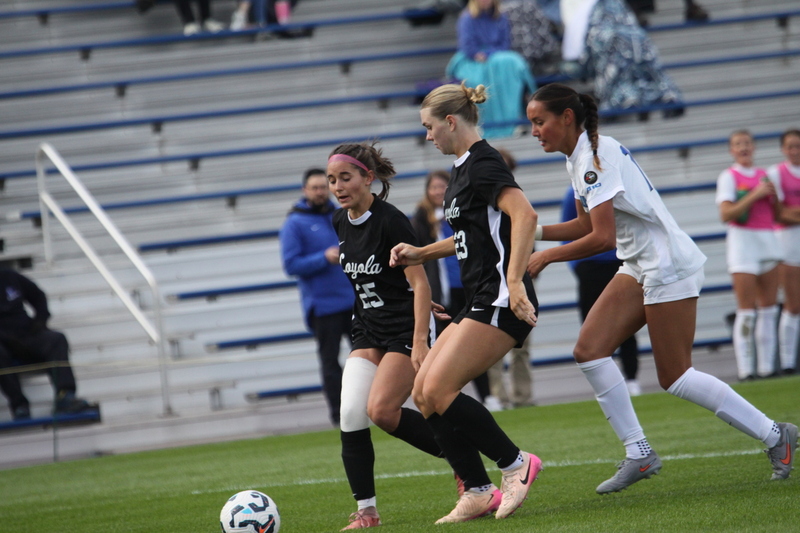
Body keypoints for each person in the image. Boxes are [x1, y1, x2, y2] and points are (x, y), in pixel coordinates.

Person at [525, 83, 797, 493]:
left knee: (675, 375)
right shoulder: (580, 156)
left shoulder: (593, 157)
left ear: (566, 118)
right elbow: (586, 225)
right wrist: (535, 232)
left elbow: (601, 237)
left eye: (538, 121)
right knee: (589, 350)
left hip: (667, 264)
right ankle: (640, 453)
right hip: (641, 263)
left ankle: (776, 435)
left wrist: (545, 255)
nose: (533, 131)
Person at [391, 82, 543, 523]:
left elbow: (525, 215)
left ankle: (516, 465)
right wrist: (421, 253)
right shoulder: (460, 169)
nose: (427, 136)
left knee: (438, 389)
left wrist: (514, 281)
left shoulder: (482, 162)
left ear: (451, 122)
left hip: (499, 297)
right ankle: (477, 490)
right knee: (422, 393)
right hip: (479, 296)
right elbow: (467, 237)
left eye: (429, 127)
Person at [327, 142, 446, 530]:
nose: (337, 186)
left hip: (405, 327)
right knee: (350, 414)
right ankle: (367, 513)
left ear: (368, 178)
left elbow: (420, 282)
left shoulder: (391, 220)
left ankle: (467, 462)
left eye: (345, 177)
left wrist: (422, 337)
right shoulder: (339, 221)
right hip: (367, 327)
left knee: (381, 411)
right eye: (332, 179)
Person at [410, 170, 497, 410]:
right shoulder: (421, 219)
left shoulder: (461, 212)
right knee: (442, 350)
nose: (438, 191)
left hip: (470, 290)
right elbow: (418, 258)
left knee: (473, 348)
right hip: (441, 297)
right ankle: (441, 395)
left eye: (442, 187)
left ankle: (487, 396)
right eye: (433, 188)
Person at [279, 168, 355, 426]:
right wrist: (323, 257)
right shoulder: (294, 222)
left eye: (325, 186)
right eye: (315, 188)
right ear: (305, 190)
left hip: (354, 300)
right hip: (323, 306)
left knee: (366, 357)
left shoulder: (341, 214)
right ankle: (338, 413)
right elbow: (291, 265)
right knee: (331, 363)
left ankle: (371, 405)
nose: (321, 192)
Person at [560, 185, 641, 395]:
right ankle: (607, 383)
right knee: (592, 328)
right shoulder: (574, 193)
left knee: (626, 325)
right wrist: (577, 265)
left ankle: (631, 379)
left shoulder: (616, 188)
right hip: (590, 267)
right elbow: (570, 226)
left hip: (619, 263)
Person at [716, 130, 783, 380]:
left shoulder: (764, 175)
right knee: (746, 310)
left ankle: (766, 368)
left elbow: (776, 214)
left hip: (767, 243)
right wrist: (756, 194)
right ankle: (746, 370)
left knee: (768, 310)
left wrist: (773, 197)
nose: (743, 147)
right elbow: (726, 214)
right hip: (743, 245)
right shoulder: (728, 176)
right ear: (731, 150)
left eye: (747, 143)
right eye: (738, 144)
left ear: (754, 147)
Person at [0, 268, 97, 420]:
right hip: (3, 342)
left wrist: (40, 321)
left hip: (26, 334)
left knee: (56, 339)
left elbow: (38, 296)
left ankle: (64, 396)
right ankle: (19, 405)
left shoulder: (9, 276)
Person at [559, 0, 684, 118]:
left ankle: (649, 94)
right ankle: (640, 94)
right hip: (601, 34)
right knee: (617, 47)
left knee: (633, 44)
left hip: (618, 29)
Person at [486, 147, 535, 409]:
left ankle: (522, 396)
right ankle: (498, 396)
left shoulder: (517, 199)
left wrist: (519, 277)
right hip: (492, 280)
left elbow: (529, 234)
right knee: (489, 344)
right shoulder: (480, 202)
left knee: (522, 344)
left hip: (516, 279)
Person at [446, 0, 537, 138]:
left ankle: (513, 120)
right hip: (472, 59)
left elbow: (505, 43)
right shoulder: (466, 18)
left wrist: (489, 54)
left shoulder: (501, 17)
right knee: (476, 77)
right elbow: (467, 45)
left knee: (513, 62)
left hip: (496, 56)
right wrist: (478, 54)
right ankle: (483, 123)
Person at [768, 129, 800, 374]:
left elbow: (790, 212)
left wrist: (793, 213)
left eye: (798, 146)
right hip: (787, 243)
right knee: (793, 304)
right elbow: (778, 213)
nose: (795, 150)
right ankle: (788, 363)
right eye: (790, 146)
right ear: (783, 149)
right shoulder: (776, 173)